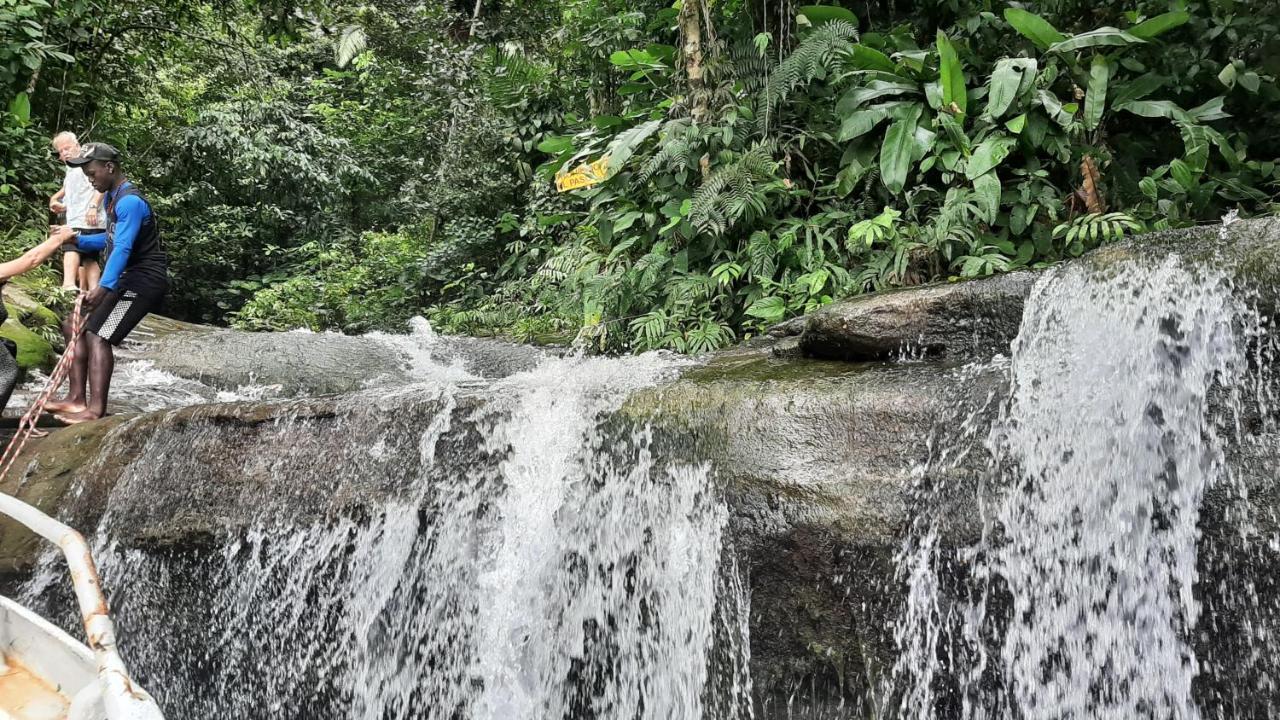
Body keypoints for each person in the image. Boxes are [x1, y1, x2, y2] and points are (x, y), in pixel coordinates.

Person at [45, 143, 168, 424]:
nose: (90, 179)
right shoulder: (114, 198)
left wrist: (103, 287)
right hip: (128, 279)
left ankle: (94, 411)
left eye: (92, 173)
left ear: (109, 168)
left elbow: (123, 248)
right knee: (72, 326)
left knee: (100, 335)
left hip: (144, 282)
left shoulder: (130, 202)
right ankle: (77, 400)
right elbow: (110, 240)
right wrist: (76, 239)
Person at [48, 132, 106, 292]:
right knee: (89, 258)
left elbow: (102, 186)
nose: (64, 153)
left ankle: (68, 284)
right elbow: (74, 192)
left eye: (67, 148)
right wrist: (60, 203)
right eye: (61, 151)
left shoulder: (86, 164)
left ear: (77, 146)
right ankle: (94, 291)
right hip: (82, 218)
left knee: (70, 247)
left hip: (86, 219)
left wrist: (93, 206)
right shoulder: (71, 170)